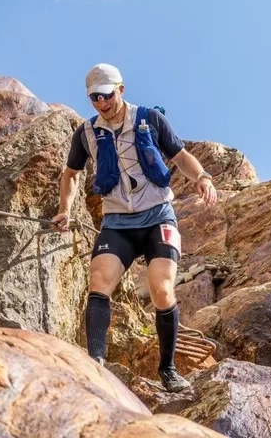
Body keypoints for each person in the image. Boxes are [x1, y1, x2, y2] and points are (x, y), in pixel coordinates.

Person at [51, 62, 217, 393]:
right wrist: (65, 210)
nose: (101, 103)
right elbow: (71, 174)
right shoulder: (86, 133)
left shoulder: (150, 119)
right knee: (99, 281)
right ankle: (95, 363)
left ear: (121, 90)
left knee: (161, 289)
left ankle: (168, 370)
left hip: (158, 216)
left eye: (107, 95)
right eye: (94, 98)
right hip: (117, 221)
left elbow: (181, 156)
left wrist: (202, 177)